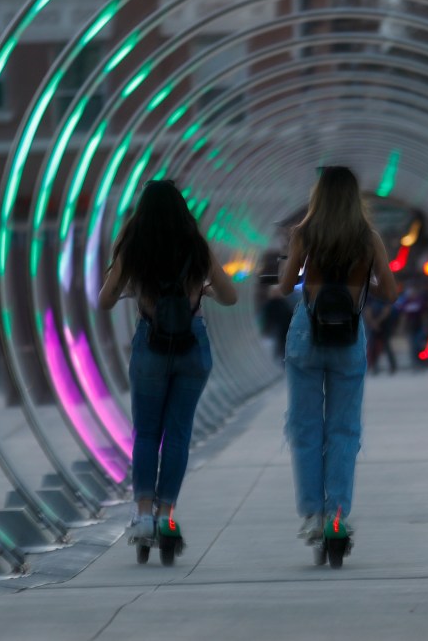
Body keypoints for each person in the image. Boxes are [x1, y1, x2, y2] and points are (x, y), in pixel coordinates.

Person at [98, 180, 238, 546]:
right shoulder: (196, 246)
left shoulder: (135, 247)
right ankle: (166, 517)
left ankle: (143, 515)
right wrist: (202, 289)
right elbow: (230, 296)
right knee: (177, 434)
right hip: (193, 345)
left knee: (146, 433)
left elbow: (105, 300)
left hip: (151, 343)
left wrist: (129, 282)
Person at [278, 165, 397, 545]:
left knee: (305, 427)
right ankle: (336, 515)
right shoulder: (368, 238)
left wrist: (295, 266)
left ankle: (313, 513)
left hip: (306, 332)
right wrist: (362, 284)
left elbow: (284, 287)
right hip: (348, 334)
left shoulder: (305, 234)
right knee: (344, 430)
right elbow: (390, 292)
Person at [260, 285, 295, 361]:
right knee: (279, 345)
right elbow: (268, 318)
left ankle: (280, 357)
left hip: (283, 329)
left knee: (281, 346)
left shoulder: (282, 303)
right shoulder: (272, 305)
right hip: (279, 330)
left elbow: (289, 314)